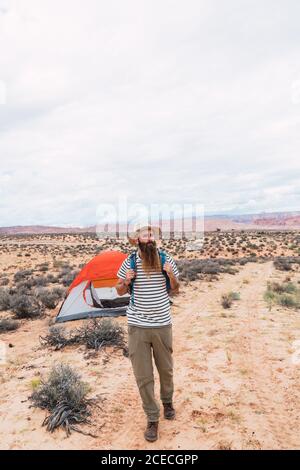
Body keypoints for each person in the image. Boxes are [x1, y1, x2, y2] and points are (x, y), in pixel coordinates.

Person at [116, 222, 180, 442]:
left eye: (152, 235)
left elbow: (176, 289)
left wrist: (171, 275)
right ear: (137, 240)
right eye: (145, 235)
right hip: (137, 326)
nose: (150, 238)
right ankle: (152, 418)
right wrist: (126, 280)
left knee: (166, 370)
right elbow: (119, 289)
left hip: (162, 323)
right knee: (143, 376)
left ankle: (168, 402)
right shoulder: (130, 261)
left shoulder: (166, 259)